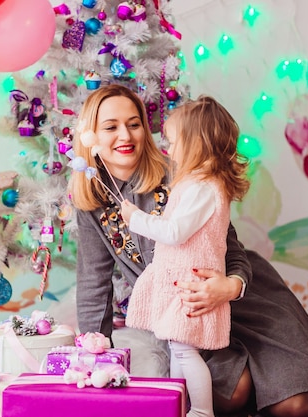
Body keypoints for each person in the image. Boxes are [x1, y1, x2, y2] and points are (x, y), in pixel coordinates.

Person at [69, 84, 308, 417]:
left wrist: (230, 286)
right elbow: (95, 282)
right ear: (91, 135)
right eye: (110, 126)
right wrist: (94, 353)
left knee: (293, 407)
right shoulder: (93, 203)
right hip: (187, 314)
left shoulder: (184, 171)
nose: (125, 134)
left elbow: (233, 251)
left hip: (242, 299)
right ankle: (259, 383)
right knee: (228, 395)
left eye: (134, 123)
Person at [117, 95, 250, 417]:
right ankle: (181, 406)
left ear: (197, 145)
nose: (169, 149)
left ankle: (202, 411)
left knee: (184, 351)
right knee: (179, 348)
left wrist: (137, 220)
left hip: (190, 285)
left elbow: (176, 232)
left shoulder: (203, 187)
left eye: (175, 142)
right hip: (180, 280)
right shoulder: (195, 183)